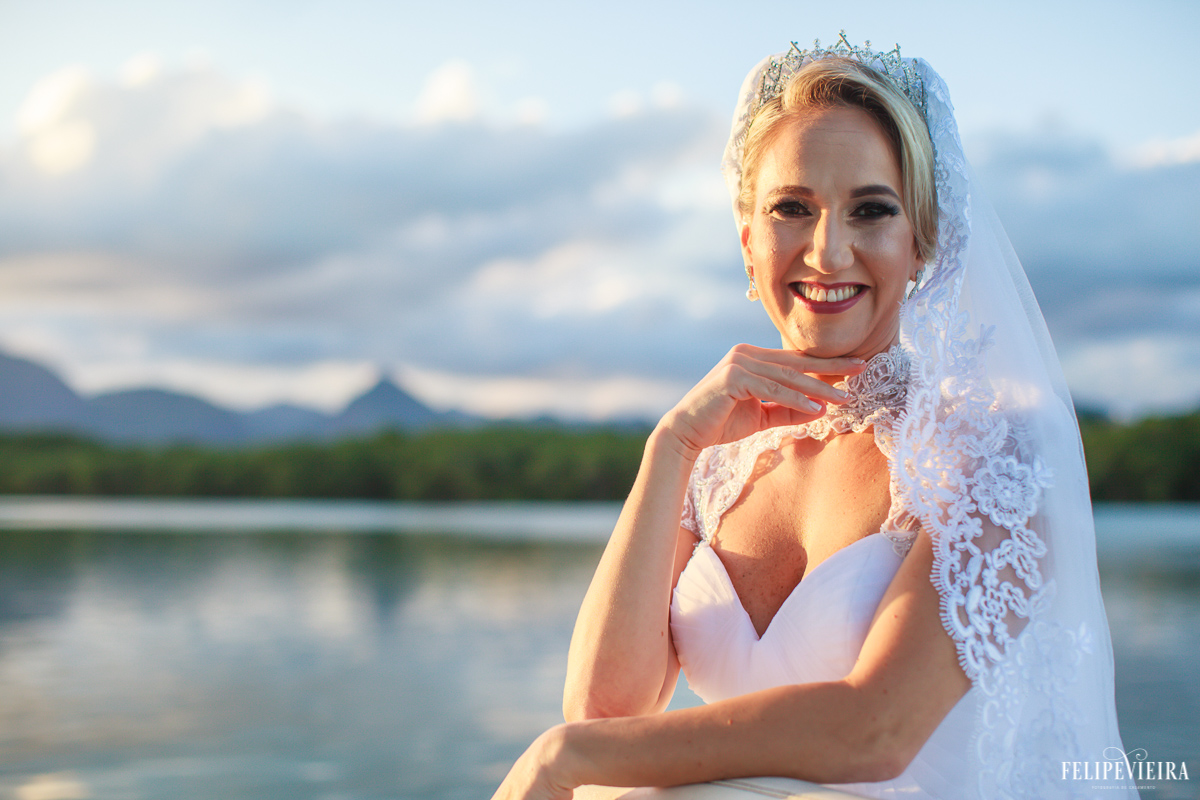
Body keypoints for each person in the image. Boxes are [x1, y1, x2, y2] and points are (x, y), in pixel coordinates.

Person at [492, 34, 1135, 800]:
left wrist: (565, 760)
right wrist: (670, 447)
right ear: (747, 242)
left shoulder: (992, 452)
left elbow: (875, 733)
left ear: (921, 240)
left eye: (871, 211)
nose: (829, 253)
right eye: (792, 209)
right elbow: (604, 712)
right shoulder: (717, 463)